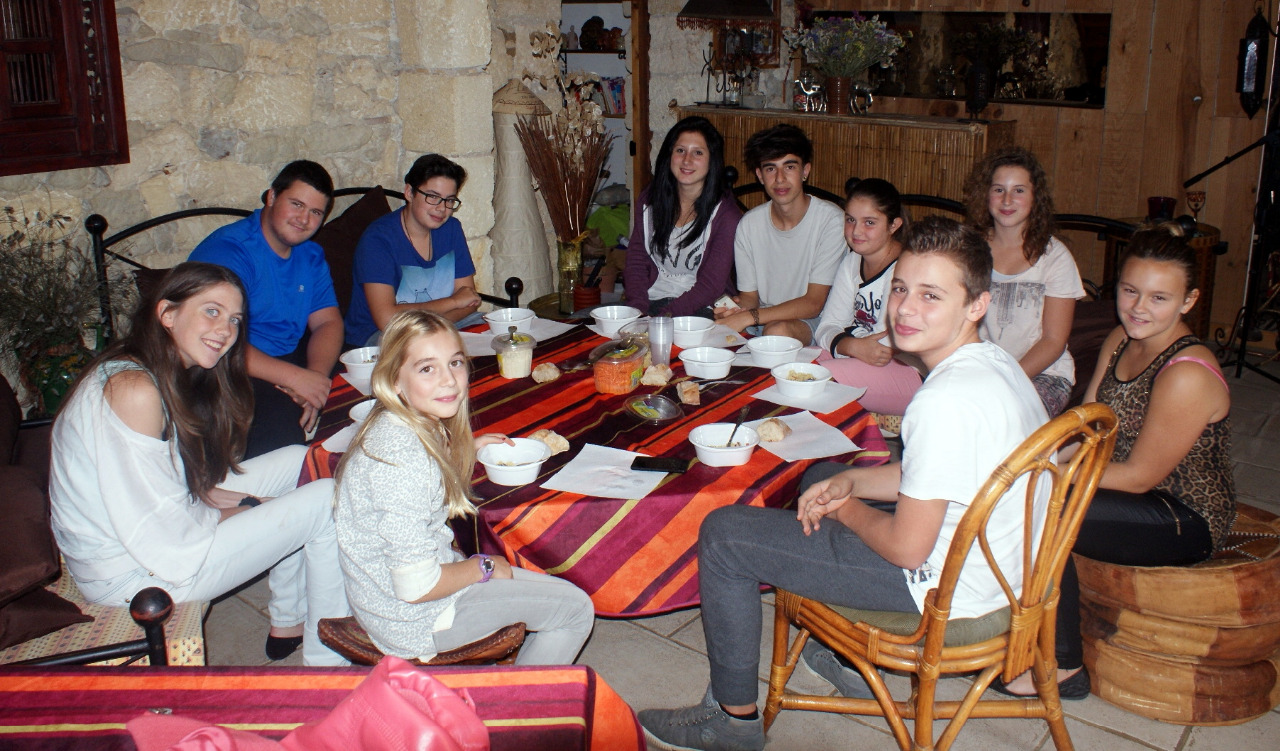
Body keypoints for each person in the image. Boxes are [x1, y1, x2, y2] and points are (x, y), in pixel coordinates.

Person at [638, 217, 1050, 751]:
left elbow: (907, 548)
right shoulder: (994, 364)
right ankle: (835, 649)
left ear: (976, 305)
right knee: (825, 474)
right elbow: (948, 472)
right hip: (1005, 570)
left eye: (931, 295)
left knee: (724, 535)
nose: (905, 309)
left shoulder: (943, 401)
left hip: (948, 590)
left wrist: (846, 509)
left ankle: (731, 720)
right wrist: (852, 481)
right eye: (900, 289)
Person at [48, 262, 349, 666]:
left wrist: (231, 501)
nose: (225, 330)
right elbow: (164, 532)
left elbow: (158, 486)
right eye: (211, 311)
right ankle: (329, 666)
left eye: (234, 319)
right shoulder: (134, 390)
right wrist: (245, 507)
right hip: (133, 574)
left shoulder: (145, 368)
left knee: (299, 462)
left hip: (147, 537)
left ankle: (288, 620)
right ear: (167, 313)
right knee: (326, 499)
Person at [994, 224, 1236, 700]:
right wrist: (1036, 454)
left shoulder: (1187, 374)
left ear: (1188, 301)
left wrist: (1046, 473)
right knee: (1024, 487)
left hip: (1182, 513)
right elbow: (1088, 424)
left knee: (1048, 508)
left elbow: (1140, 476)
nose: (1139, 308)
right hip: (1121, 482)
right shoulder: (1121, 339)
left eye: (1159, 298)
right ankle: (1004, 625)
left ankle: (1063, 665)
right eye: (1130, 291)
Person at [333, 310, 595, 665]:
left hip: (388, 597)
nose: (449, 381)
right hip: (415, 620)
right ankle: (518, 700)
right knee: (576, 610)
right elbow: (417, 587)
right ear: (394, 380)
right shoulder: (402, 460)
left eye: (455, 363)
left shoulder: (401, 423)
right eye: (427, 368)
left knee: (560, 592)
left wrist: (464, 449)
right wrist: (483, 566)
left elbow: (415, 489)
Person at [190, 160, 344, 458]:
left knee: (373, 386)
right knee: (283, 440)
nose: (304, 219)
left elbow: (328, 322)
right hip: (227, 364)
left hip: (291, 354)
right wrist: (295, 379)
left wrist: (315, 378)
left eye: (315, 212)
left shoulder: (310, 255)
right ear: (271, 197)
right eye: (296, 204)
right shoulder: (231, 252)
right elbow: (214, 339)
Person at [963, 147, 1084, 416]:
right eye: (998, 189)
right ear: (985, 195)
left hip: (1042, 374)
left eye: (1018, 190)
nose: (1007, 200)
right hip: (980, 369)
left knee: (1001, 416)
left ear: (1035, 197)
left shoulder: (1055, 257)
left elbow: (1053, 341)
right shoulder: (968, 249)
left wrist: (1005, 380)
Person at [714, 124, 845, 344]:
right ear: (760, 175)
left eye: (789, 167)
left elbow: (814, 303)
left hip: (816, 321)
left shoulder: (831, 221)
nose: (780, 178)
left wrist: (749, 317)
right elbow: (750, 297)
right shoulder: (749, 224)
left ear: (805, 171)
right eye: (770, 169)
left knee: (777, 332)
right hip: (762, 320)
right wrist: (734, 311)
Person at [344, 154, 484, 347]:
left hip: (444, 324)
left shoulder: (451, 228)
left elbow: (469, 301)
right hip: (385, 335)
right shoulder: (378, 239)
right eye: (433, 197)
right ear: (409, 193)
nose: (442, 208)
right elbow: (386, 320)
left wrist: (438, 324)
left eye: (450, 200)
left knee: (502, 336)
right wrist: (453, 302)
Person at [813, 178, 923, 417]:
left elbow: (883, 348)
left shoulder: (905, 268)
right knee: (793, 366)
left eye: (869, 222)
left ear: (894, 225)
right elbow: (826, 327)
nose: (856, 231)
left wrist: (845, 335)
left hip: (910, 372)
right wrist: (852, 344)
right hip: (860, 355)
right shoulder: (853, 260)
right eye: (850, 219)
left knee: (814, 383)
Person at [623, 116, 743, 316]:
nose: (687, 160)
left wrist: (663, 318)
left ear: (712, 160)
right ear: (669, 154)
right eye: (680, 150)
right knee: (584, 323)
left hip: (701, 308)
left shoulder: (726, 215)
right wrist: (637, 311)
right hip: (650, 301)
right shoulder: (650, 199)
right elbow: (636, 261)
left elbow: (711, 285)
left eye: (698, 152)